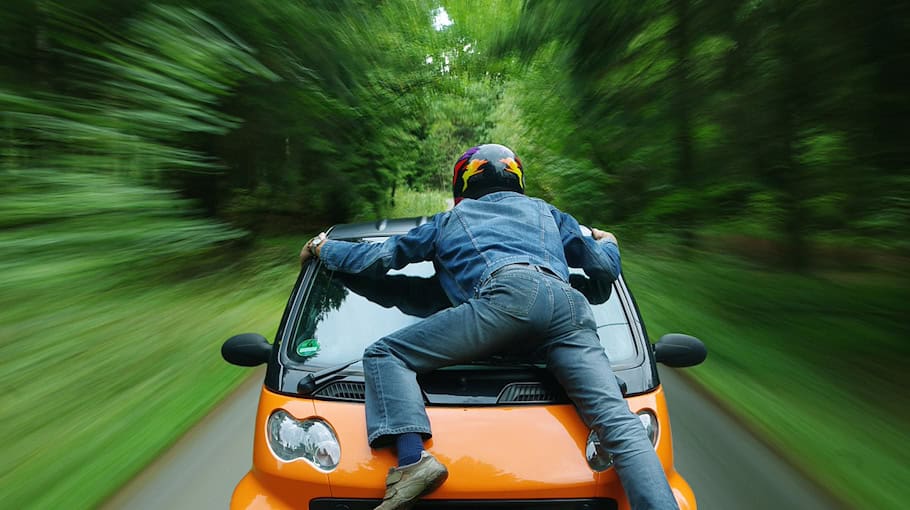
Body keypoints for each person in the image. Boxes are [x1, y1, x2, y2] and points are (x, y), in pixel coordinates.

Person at [299, 144, 679, 510]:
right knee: (620, 426)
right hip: (570, 309)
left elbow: (382, 259)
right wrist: (610, 243)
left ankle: (413, 461)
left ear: (463, 187)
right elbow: (603, 268)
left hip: (508, 299)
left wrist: (323, 248)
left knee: (386, 353)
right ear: (517, 181)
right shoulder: (548, 214)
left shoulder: (451, 221)